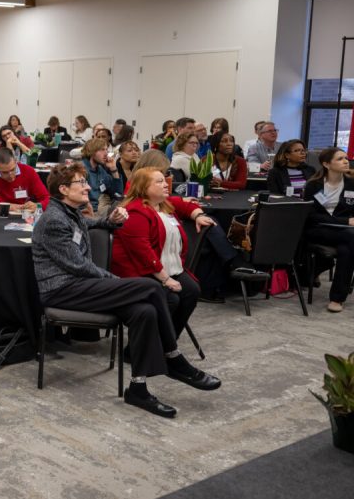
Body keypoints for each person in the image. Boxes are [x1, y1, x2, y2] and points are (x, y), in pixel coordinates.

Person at [32, 163, 221, 418]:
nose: (88, 186)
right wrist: (115, 280)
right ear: (64, 189)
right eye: (81, 182)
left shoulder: (68, 211)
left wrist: (108, 221)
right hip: (62, 289)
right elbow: (78, 266)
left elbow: (87, 226)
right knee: (152, 288)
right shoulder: (54, 220)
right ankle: (173, 358)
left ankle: (138, 389)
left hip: (79, 286)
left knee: (143, 311)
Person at [111, 168, 213, 340]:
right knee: (170, 299)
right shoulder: (135, 212)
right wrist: (166, 279)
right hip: (138, 271)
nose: (165, 184)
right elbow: (142, 252)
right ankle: (144, 347)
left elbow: (186, 205)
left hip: (167, 265)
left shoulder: (164, 205)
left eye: (164, 180)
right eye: (159, 182)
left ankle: (167, 342)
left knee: (192, 291)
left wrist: (198, 215)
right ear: (143, 187)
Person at [303, 148, 354, 313]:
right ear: (326, 164)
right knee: (351, 238)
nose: (346, 161)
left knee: (347, 250)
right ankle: (337, 293)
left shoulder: (352, 183)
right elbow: (312, 216)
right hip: (318, 229)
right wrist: (345, 220)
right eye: (340, 159)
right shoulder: (313, 185)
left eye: (346, 158)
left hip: (346, 232)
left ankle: (336, 299)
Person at [0, 147, 49, 212]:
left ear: (16, 161)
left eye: (13, 169)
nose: (10, 175)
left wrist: (38, 206)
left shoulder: (29, 171)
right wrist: (3, 206)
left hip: (23, 217)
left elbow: (47, 198)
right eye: (5, 172)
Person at [81, 137, 123, 214]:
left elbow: (117, 193)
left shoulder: (99, 169)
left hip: (98, 210)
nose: (106, 153)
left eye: (106, 149)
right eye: (102, 150)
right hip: (86, 212)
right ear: (92, 152)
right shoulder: (81, 169)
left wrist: (114, 169)